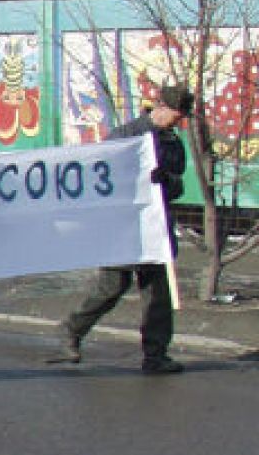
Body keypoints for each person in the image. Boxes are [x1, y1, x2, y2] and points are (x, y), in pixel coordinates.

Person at [47, 84, 193, 374]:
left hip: (154, 229)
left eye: (182, 118)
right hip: (123, 226)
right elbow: (103, 178)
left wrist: (166, 181)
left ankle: (156, 355)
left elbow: (177, 186)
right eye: (176, 116)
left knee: (158, 295)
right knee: (112, 287)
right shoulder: (127, 136)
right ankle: (70, 331)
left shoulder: (173, 143)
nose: (179, 123)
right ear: (160, 107)